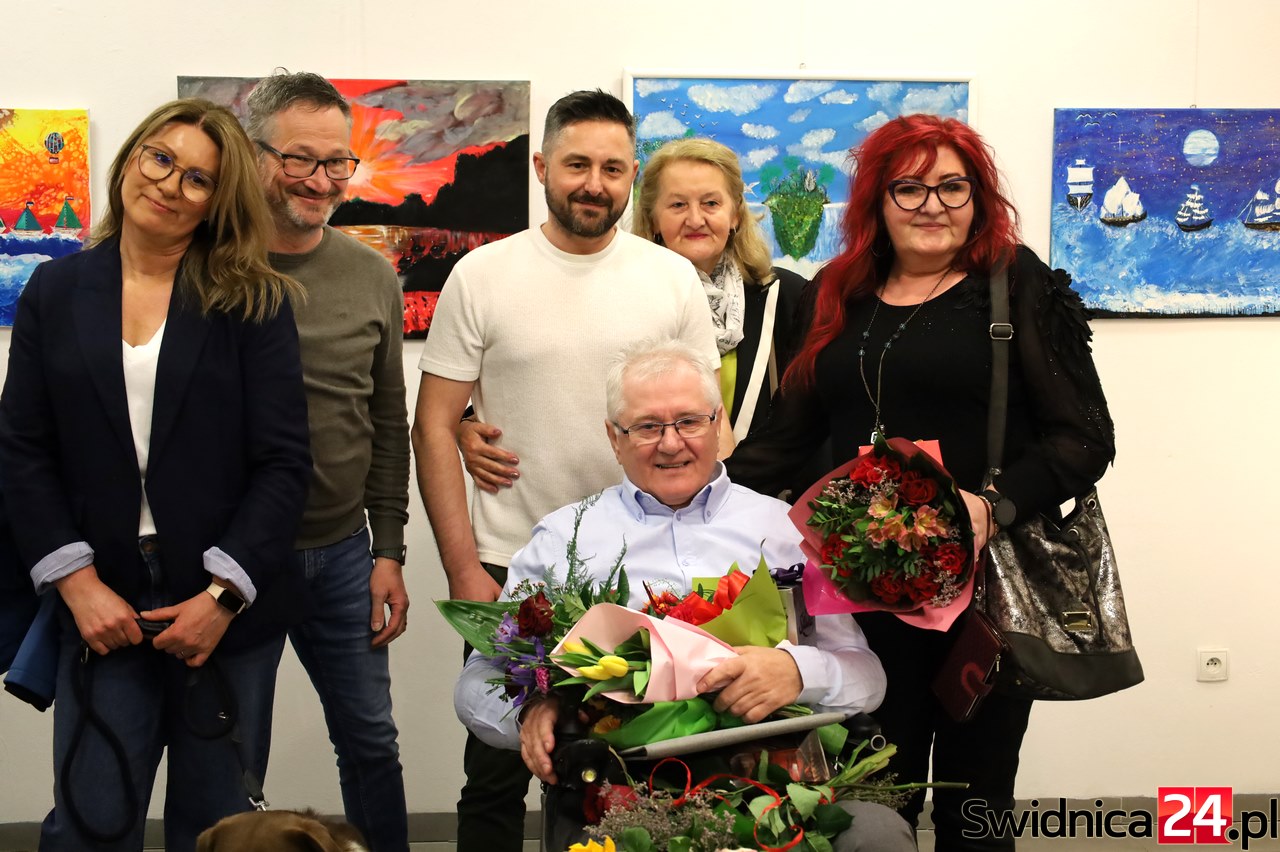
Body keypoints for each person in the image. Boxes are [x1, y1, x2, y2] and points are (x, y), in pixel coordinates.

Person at [726, 114, 1116, 851]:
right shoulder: (838, 291)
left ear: (978, 197)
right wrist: (688, 492)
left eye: (951, 187)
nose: (932, 205)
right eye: (909, 188)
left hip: (982, 589)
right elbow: (788, 438)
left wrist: (991, 507)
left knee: (978, 798)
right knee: (871, 796)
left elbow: (1085, 438)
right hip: (859, 596)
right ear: (877, 200)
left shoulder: (1013, 282)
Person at [0, 98, 312, 852]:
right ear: (131, 158)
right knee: (92, 823)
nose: (170, 184)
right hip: (100, 601)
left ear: (216, 203)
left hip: (222, 607)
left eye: (197, 179)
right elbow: (22, 449)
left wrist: (221, 596)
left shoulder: (254, 300)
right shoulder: (55, 290)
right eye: (160, 158)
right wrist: (76, 583)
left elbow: (283, 462)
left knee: (222, 831)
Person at [454, 339, 912, 852]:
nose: (671, 444)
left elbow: (867, 675)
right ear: (614, 438)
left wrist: (798, 671)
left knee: (879, 835)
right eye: (647, 427)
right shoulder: (563, 541)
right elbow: (477, 679)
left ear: (718, 424)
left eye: (689, 422)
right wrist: (533, 708)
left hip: (781, 781)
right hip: (626, 794)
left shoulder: (787, 529)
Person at [413, 90, 718, 851]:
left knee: (638, 769)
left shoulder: (672, 278)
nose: (594, 183)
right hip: (516, 570)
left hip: (644, 568)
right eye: (577, 164)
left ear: (632, 175)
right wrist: (464, 571)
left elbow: (705, 424)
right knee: (495, 772)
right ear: (542, 166)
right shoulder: (482, 274)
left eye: (613, 168)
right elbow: (434, 425)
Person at [246, 71, 411, 852]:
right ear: (255, 156)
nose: (321, 180)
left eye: (338, 162)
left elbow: (387, 419)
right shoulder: (209, 268)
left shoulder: (371, 274)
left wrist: (389, 550)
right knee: (233, 754)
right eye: (299, 159)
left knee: (371, 742)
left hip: (344, 555)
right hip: (235, 560)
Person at [459, 137, 811, 491]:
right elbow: (570, 380)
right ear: (652, 218)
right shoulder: (614, 293)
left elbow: (812, 420)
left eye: (711, 203)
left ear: (735, 214)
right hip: (638, 499)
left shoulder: (787, 297)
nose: (695, 219)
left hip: (759, 503)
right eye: (677, 204)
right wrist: (469, 423)